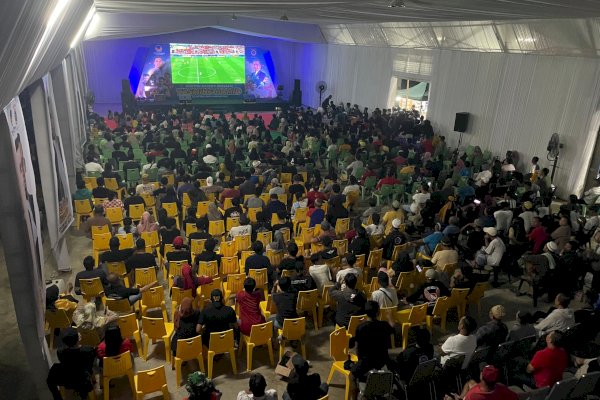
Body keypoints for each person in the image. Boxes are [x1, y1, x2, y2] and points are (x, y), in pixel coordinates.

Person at [349, 301, 395, 388]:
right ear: (378, 312)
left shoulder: (360, 327)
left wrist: (360, 361)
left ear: (366, 313)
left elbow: (357, 347)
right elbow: (393, 328)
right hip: (382, 360)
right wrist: (389, 317)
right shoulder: (384, 325)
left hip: (366, 362)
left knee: (351, 376)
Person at [47, 328, 96, 400]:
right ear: (78, 339)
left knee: (51, 376)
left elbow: (64, 362)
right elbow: (90, 365)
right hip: (83, 380)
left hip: (68, 378)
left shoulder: (60, 352)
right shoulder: (89, 350)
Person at [445, 365, 518, 400]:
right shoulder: (501, 388)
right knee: (471, 382)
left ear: (481, 377)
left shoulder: (473, 395)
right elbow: (515, 397)